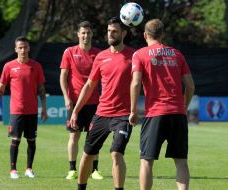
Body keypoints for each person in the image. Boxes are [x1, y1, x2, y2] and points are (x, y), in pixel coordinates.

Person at [129, 19, 195, 190]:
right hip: (178, 114)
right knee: (181, 161)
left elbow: (135, 83)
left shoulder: (140, 54)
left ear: (145, 35)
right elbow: (190, 86)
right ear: (162, 35)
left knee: (146, 161)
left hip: (155, 114)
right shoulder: (177, 54)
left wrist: (133, 110)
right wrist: (183, 106)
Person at [70, 17, 135, 190]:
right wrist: (76, 110)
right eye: (109, 31)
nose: (111, 34)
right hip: (101, 114)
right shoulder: (101, 57)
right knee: (87, 155)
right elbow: (89, 85)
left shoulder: (133, 56)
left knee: (116, 153)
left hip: (123, 115)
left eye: (114, 31)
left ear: (124, 33)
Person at [0, 36, 47, 179]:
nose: (23, 50)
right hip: (16, 111)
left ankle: (29, 169)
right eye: (20, 47)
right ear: (15, 49)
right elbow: (1, 87)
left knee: (31, 140)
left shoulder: (36, 66)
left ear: (29, 48)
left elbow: (41, 89)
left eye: (25, 47)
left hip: (32, 110)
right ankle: (13, 170)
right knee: (15, 140)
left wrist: (44, 108)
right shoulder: (9, 66)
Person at [60, 21, 103, 180]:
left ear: (92, 35)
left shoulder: (99, 54)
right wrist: (66, 97)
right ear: (78, 34)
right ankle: (72, 169)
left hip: (94, 103)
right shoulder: (69, 52)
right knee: (74, 136)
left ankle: (95, 170)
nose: (86, 36)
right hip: (74, 102)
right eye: (83, 33)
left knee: (94, 137)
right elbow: (63, 77)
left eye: (89, 33)